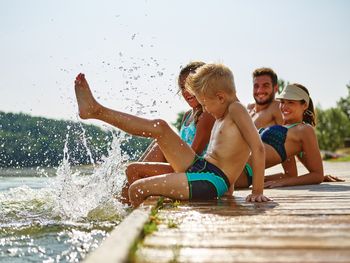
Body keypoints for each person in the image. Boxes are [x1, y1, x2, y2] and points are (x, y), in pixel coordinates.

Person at [74, 63, 270, 207]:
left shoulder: (236, 109)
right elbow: (230, 152)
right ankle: (96, 110)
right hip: (202, 167)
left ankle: (129, 231)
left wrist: (257, 192)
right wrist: (230, 190)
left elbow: (257, 148)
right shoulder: (223, 113)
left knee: (137, 188)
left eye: (205, 103)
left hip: (211, 180)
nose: (205, 109)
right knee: (160, 126)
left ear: (220, 97)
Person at [121, 61, 215, 203]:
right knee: (157, 145)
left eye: (191, 85)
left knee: (133, 169)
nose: (186, 91)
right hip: (183, 167)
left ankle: (132, 206)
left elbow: (193, 157)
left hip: (195, 172)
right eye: (182, 87)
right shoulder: (187, 116)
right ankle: (126, 201)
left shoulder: (207, 114)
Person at [236, 83, 325, 188]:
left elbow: (317, 175)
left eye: (291, 102)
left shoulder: (305, 130)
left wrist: (283, 183)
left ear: (304, 105)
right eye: (282, 102)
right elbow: (290, 174)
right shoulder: (287, 129)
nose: (284, 106)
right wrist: (262, 179)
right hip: (237, 167)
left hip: (240, 171)